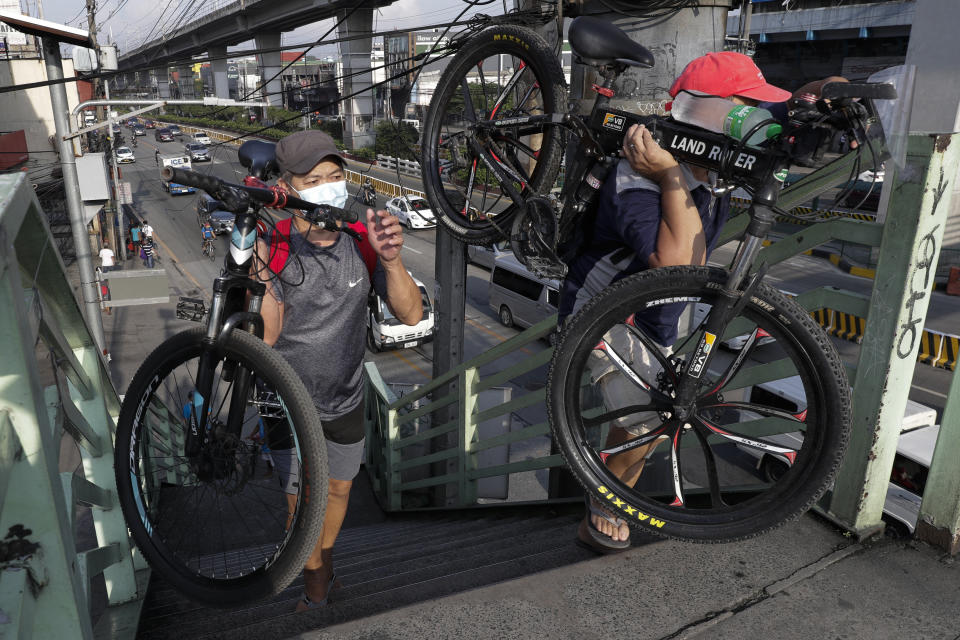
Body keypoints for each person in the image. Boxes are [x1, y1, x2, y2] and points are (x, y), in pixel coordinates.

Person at [559, 51, 839, 554]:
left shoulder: (715, 155)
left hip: (660, 317)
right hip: (603, 314)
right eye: (744, 109)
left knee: (653, 422)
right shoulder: (637, 171)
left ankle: (615, 492)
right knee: (649, 419)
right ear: (711, 114)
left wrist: (833, 89)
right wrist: (669, 177)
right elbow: (675, 267)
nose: (754, 121)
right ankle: (600, 505)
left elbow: (795, 109)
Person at [253, 130, 422, 611]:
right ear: (289, 189)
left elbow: (410, 315)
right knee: (301, 503)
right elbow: (266, 337)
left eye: (335, 176)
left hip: (345, 396)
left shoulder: (360, 241)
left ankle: (322, 562)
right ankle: (315, 581)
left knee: (341, 488)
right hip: (286, 400)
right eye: (313, 179)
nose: (329, 186)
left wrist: (391, 260)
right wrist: (263, 273)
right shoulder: (278, 241)